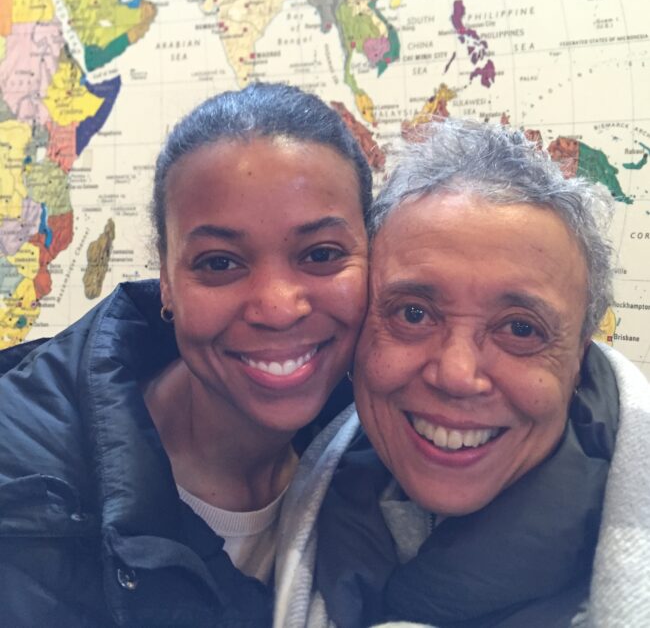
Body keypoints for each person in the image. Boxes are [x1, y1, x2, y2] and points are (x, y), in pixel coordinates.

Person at [0, 82, 372, 627]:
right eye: (220, 263)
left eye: (321, 254)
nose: (277, 307)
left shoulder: (391, 450)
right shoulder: (21, 478)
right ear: (167, 280)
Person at [274, 118, 650, 628]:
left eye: (520, 329)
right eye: (413, 314)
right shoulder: (284, 509)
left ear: (579, 361)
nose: (456, 374)